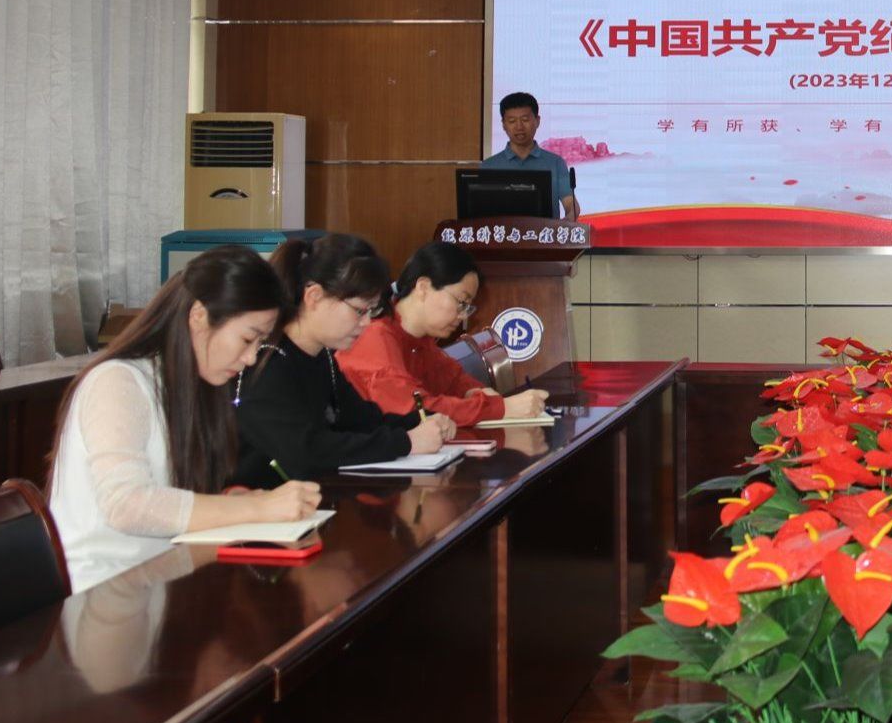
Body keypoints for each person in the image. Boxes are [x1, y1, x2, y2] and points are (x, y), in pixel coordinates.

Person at [46, 246, 323, 592]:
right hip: (99, 592)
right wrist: (257, 508)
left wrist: (238, 501)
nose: (252, 358)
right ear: (199, 315)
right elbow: (126, 505)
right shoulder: (117, 381)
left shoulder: (195, 384)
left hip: (161, 581)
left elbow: (176, 495)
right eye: (247, 338)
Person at [234, 234, 455, 487]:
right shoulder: (267, 361)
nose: (366, 323)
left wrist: (423, 420)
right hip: (258, 505)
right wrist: (407, 442)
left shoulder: (323, 358)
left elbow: (363, 422)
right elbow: (307, 451)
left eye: (371, 311)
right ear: (314, 296)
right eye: (360, 310)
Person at [338, 241, 550, 427]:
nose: (462, 316)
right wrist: (499, 409)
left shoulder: (420, 339)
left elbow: (454, 381)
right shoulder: (376, 334)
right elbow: (415, 411)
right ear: (423, 287)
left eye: (468, 307)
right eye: (461, 302)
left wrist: (477, 393)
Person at [483, 91, 579, 221]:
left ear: (537, 121)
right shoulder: (489, 166)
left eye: (525, 120)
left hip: (546, 233)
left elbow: (570, 204)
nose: (519, 127)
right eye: (512, 121)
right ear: (504, 125)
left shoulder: (555, 163)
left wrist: (566, 222)